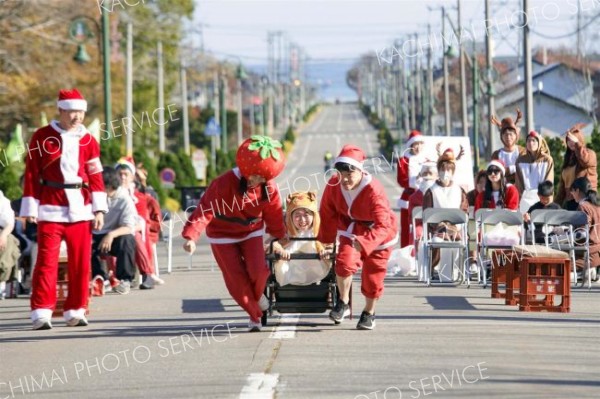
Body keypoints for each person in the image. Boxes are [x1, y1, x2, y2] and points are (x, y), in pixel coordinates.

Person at [20, 89, 107, 330]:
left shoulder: (89, 140)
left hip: (81, 207)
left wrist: (99, 209)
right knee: (46, 262)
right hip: (51, 206)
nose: (77, 116)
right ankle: (41, 311)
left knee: (81, 263)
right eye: (72, 111)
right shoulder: (42, 136)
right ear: (61, 110)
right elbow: (31, 173)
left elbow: (96, 175)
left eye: (80, 111)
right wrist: (30, 206)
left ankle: (76, 310)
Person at [182, 136, 287, 332]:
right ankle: (254, 314)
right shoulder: (223, 183)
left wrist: (277, 236)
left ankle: (256, 298)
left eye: (263, 178)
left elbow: (273, 213)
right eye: (255, 176)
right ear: (246, 169)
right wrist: (191, 236)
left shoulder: (269, 187)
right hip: (222, 233)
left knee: (259, 271)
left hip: (251, 231)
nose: (257, 181)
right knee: (236, 278)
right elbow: (205, 209)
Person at [318, 145, 398, 330]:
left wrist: (366, 242)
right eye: (341, 175)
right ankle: (344, 302)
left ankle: (369, 313)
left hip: (379, 234)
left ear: (360, 171)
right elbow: (327, 212)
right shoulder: (334, 185)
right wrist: (327, 241)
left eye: (349, 175)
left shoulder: (373, 190)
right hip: (352, 227)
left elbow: (383, 225)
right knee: (343, 263)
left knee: (373, 278)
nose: (344, 180)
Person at [115, 157, 163, 289]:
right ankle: (108, 277)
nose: (123, 177)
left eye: (126, 174)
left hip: (135, 230)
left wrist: (128, 228)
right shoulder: (110, 193)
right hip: (113, 230)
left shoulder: (140, 197)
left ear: (132, 177)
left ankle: (147, 274)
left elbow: (142, 220)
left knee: (134, 235)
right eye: (120, 174)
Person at [422, 147, 469, 282]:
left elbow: (464, 212)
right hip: (437, 230)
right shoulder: (431, 191)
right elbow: (427, 214)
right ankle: (434, 269)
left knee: (458, 240)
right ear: (438, 171)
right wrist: (440, 227)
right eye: (443, 169)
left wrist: (453, 228)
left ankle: (457, 271)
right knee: (437, 240)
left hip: (455, 230)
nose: (445, 173)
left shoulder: (459, 191)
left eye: (449, 170)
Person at [91, 167, 138, 295]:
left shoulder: (124, 199)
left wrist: (111, 235)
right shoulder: (92, 196)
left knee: (128, 240)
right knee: (84, 244)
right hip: (94, 234)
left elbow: (129, 226)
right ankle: (101, 279)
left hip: (115, 235)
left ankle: (125, 280)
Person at [271, 191, 332, 286]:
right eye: (297, 215)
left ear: (313, 215)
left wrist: (327, 251)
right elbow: (272, 243)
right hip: (289, 268)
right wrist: (280, 251)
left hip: (317, 268)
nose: (302, 220)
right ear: (291, 217)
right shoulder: (285, 230)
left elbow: (332, 244)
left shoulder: (321, 229)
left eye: (306, 215)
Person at [555, 124, 598, 210]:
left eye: (574, 140)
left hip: (586, 199)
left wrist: (578, 145)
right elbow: (562, 188)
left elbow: (584, 160)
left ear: (580, 140)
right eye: (569, 140)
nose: (571, 143)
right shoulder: (568, 159)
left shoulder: (590, 154)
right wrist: (555, 205)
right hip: (571, 201)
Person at [397, 130, 426, 248]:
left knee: (423, 226)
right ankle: (405, 252)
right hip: (408, 198)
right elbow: (401, 180)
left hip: (424, 197)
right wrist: (416, 178)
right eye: (415, 144)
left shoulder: (427, 159)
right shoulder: (403, 160)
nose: (418, 147)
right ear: (410, 146)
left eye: (420, 144)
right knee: (406, 227)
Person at [568, 176, 600, 281]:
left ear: (577, 190)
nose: (572, 195)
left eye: (572, 191)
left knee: (558, 266)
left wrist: (563, 234)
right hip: (596, 253)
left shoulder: (583, 206)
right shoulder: (596, 206)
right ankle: (589, 273)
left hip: (586, 254)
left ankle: (584, 274)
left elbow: (582, 234)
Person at [515, 130, 554, 213]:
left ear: (539, 142)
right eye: (528, 140)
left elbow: (549, 180)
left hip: (542, 198)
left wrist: (544, 195)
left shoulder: (547, 160)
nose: (531, 143)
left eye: (533, 140)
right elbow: (519, 182)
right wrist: (521, 197)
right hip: (526, 198)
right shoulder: (520, 160)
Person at [490, 109, 525, 184]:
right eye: (505, 135)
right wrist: (514, 168)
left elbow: (524, 168)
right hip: (502, 189)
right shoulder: (496, 154)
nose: (508, 137)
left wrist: (507, 170)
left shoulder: (523, 151)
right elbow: (495, 172)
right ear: (501, 137)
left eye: (511, 134)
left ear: (516, 136)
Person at [0, 189, 21, 300]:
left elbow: (9, 223)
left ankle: (1, 282)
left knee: (8, 242)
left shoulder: (3, 201)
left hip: (2, 231)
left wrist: (3, 235)